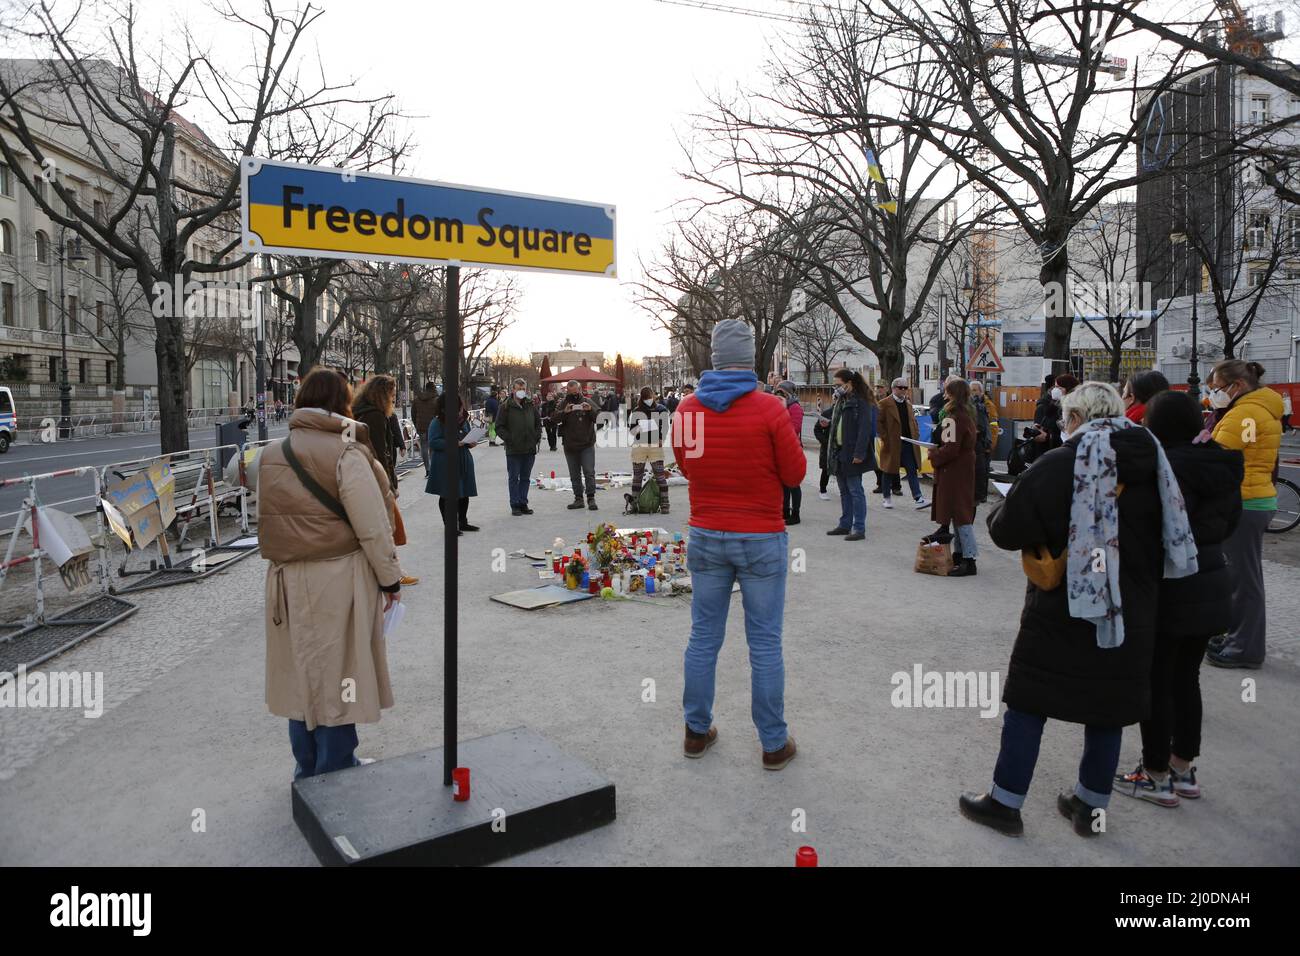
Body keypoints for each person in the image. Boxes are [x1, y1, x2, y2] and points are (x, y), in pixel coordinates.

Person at [959, 382, 1197, 838]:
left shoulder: (1062, 463)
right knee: (1107, 708)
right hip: (1131, 611)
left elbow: (1005, 530)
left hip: (1063, 608)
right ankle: (1090, 807)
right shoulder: (1155, 462)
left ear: (1074, 419)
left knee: (1029, 703)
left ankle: (1004, 804)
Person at [671, 320, 806, 770]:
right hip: (761, 536)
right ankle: (772, 743)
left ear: (713, 357)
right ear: (751, 360)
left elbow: (688, 468)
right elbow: (795, 475)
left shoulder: (686, 411)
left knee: (703, 637)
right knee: (765, 643)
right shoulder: (770, 410)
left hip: (707, 533)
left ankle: (695, 731)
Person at [259, 368, 402, 778]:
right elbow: (372, 525)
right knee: (341, 672)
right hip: (337, 577)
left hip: (285, 579)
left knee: (301, 674)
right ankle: (337, 767)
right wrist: (390, 578)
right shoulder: (346, 453)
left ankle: (307, 766)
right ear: (342, 402)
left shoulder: (273, 453)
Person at [1113, 390, 1243, 807]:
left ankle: (1154, 774)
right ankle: (1183, 767)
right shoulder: (1222, 464)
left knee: (1159, 680)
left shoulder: (1165, 468)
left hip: (1174, 586)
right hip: (1212, 581)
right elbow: (1229, 524)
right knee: (1187, 678)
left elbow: (1153, 528)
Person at [1205, 360, 1282, 669]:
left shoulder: (1245, 413)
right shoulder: (1257, 408)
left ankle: (1245, 648)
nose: (1213, 394)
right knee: (1242, 576)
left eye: (1217, 388)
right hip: (1253, 499)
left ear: (1236, 386)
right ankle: (1237, 636)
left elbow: (1219, 458)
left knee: (1243, 579)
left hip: (1245, 501)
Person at [929, 377, 980, 576]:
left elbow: (950, 449)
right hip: (964, 468)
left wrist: (934, 455)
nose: (943, 394)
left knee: (960, 514)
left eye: (946, 391)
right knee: (960, 513)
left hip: (953, 471)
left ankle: (969, 559)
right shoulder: (968, 413)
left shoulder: (951, 417)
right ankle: (961, 555)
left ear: (952, 394)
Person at [826, 369, 875, 542]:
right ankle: (845, 524)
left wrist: (859, 453)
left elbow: (864, 429)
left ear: (850, 383)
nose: (836, 388)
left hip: (852, 452)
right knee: (844, 491)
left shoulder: (860, 401)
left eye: (839, 385)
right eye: (835, 385)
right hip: (839, 451)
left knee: (855, 490)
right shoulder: (842, 400)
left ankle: (859, 527)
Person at [425, 392, 479, 535]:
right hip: (445, 462)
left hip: (463, 459)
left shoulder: (463, 419)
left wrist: (470, 442)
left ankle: (462, 522)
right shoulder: (438, 421)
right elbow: (434, 442)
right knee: (447, 494)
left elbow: (466, 436)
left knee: (464, 492)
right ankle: (450, 526)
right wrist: (454, 443)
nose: (459, 410)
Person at [876, 378, 929, 511]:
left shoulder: (908, 404)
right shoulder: (884, 403)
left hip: (908, 442)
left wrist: (915, 434)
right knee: (889, 470)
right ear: (894, 388)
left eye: (906, 388)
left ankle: (918, 498)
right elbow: (878, 423)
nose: (904, 390)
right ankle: (886, 498)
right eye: (901, 388)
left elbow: (913, 421)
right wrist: (885, 438)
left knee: (912, 470)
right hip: (892, 442)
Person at [495, 377, 542, 516]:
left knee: (526, 478)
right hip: (513, 449)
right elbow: (499, 427)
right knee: (514, 478)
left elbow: (538, 423)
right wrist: (509, 439)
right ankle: (515, 504)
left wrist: (536, 437)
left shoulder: (530, 405)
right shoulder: (505, 406)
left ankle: (523, 502)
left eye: (523, 389)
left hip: (529, 448)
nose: (521, 391)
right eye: (518, 389)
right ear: (513, 390)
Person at [352, 375, 399, 494]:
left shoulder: (359, 411)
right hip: (375, 479)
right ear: (382, 396)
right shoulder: (375, 416)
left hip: (360, 473)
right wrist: (389, 486)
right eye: (392, 395)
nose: (393, 400)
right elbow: (380, 452)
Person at [628, 386, 670, 514]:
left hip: (655, 446)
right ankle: (634, 503)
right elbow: (632, 430)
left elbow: (665, 427)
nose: (648, 400)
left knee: (660, 476)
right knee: (637, 476)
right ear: (642, 398)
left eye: (650, 397)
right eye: (646, 398)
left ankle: (665, 504)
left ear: (654, 396)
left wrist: (661, 439)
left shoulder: (661, 409)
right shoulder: (637, 411)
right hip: (640, 445)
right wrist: (640, 428)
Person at [558, 380, 599, 511]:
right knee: (574, 474)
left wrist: (590, 410)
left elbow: (600, 418)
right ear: (567, 391)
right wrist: (564, 412)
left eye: (576, 391)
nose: (575, 394)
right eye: (571, 392)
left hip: (586, 443)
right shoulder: (563, 403)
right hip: (570, 445)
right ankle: (578, 499)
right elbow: (552, 419)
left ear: (580, 390)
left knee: (589, 472)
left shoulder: (587, 401)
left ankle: (591, 498)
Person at [774, 380, 805, 525]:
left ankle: (796, 513)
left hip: (791, 449)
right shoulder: (777, 406)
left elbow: (795, 428)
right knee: (783, 484)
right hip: (779, 449)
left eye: (782, 391)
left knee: (793, 483)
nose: (779, 394)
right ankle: (784, 510)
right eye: (777, 391)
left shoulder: (794, 407)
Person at [970, 380, 996, 504]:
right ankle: (980, 495)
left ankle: (982, 495)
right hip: (979, 444)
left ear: (981, 391)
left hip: (985, 443)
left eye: (975, 390)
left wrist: (990, 443)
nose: (972, 393)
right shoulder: (971, 405)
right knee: (979, 471)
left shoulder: (987, 405)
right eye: (971, 390)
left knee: (983, 471)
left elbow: (992, 426)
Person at [411, 381, 438, 475]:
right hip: (433, 428)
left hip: (421, 427)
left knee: (424, 447)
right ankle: (433, 468)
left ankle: (427, 469)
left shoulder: (417, 400)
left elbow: (413, 414)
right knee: (432, 448)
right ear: (433, 388)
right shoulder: (436, 400)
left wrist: (416, 424)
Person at [813, 399, 832, 500]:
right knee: (826, 469)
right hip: (827, 447)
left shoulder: (846, 412)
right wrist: (825, 441)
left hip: (841, 447)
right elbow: (817, 430)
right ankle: (823, 490)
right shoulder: (827, 413)